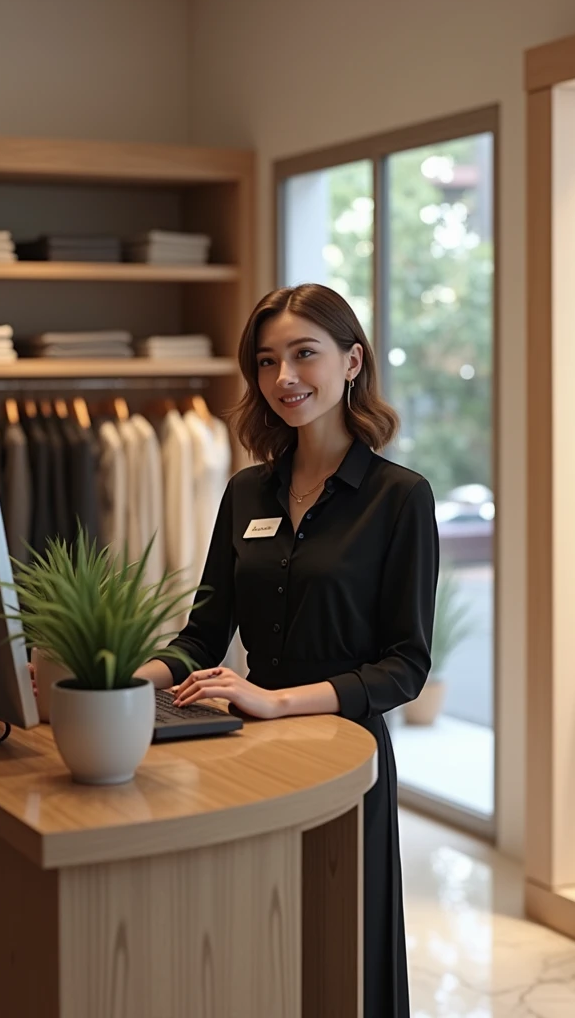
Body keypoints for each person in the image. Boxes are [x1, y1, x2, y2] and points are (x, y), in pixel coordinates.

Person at [136, 283, 439, 1018]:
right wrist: (121, 684)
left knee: (341, 959)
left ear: (352, 361)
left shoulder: (399, 497)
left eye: (305, 354)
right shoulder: (246, 492)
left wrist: (275, 700)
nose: (284, 379)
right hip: (245, 754)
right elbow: (202, 635)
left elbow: (405, 665)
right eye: (267, 362)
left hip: (343, 753)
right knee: (255, 953)